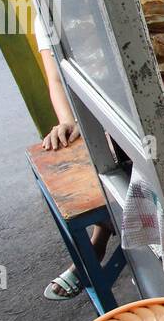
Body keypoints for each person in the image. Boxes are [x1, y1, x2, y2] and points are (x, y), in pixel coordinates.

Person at [36, 17, 111, 300]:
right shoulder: (46, 11)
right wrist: (69, 120)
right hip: (86, 108)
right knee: (90, 168)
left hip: (128, 97)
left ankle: (99, 243)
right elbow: (55, 77)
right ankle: (98, 242)